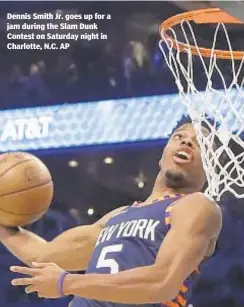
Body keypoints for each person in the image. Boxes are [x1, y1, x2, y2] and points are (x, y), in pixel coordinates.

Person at [0, 119, 222, 307]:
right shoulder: (116, 216)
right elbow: (43, 255)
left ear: (211, 165)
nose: (187, 141)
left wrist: (65, 283)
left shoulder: (197, 206)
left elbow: (161, 283)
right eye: (179, 136)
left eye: (200, 142)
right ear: (162, 155)